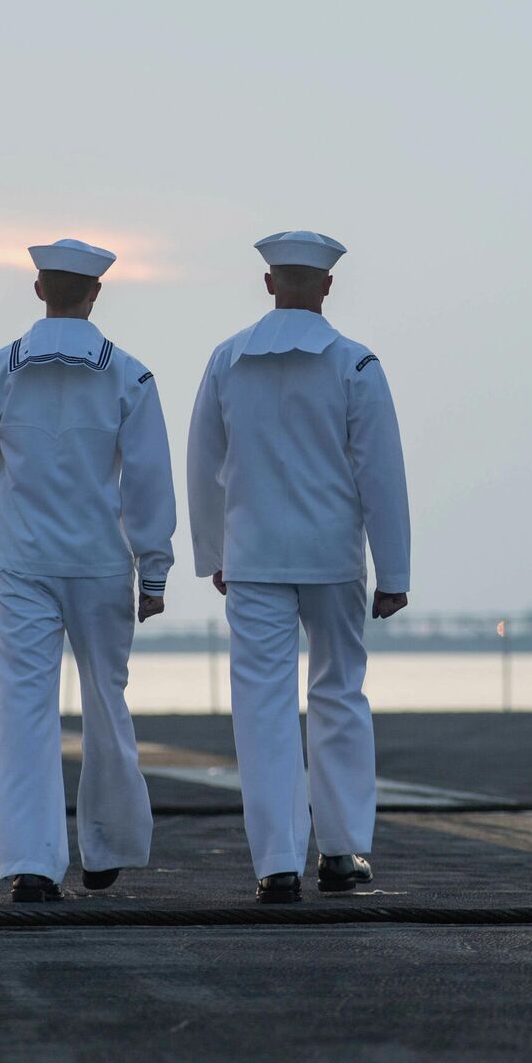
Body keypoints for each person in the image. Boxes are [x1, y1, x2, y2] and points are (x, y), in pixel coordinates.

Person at [187, 230, 411, 903]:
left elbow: (204, 466)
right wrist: (393, 571)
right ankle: (342, 851)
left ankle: (277, 862)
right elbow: (382, 475)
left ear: (268, 284)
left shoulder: (229, 360)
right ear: (328, 286)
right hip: (332, 557)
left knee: (262, 707)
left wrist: (212, 553)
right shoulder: (354, 365)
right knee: (339, 695)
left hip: (254, 557)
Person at [0, 238, 176, 903]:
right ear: (95, 294)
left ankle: (32, 863)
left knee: (24, 712)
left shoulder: (0, 371)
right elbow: (149, 482)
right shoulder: (128, 375)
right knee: (106, 708)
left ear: (38, 290)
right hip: (102, 563)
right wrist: (154, 568)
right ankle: (105, 848)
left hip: (22, 559)